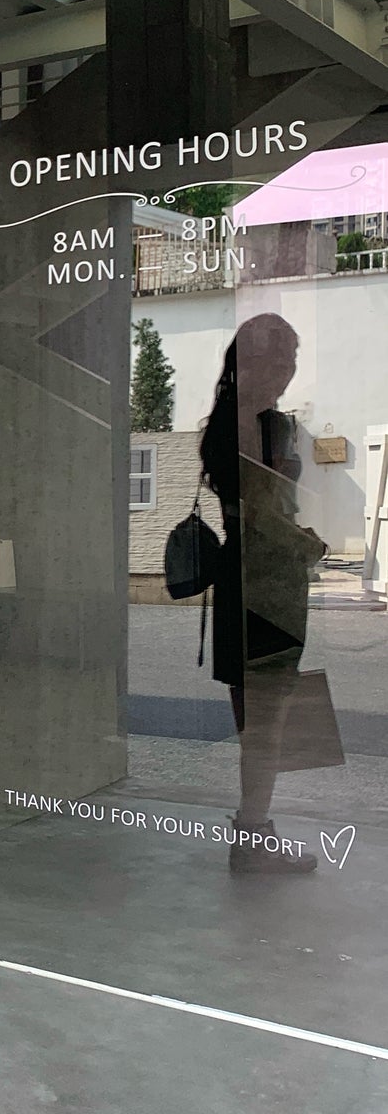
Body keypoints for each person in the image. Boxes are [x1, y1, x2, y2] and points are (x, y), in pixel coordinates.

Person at [199, 312, 326, 875]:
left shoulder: (226, 421)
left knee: (258, 720)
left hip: (242, 581)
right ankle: (253, 838)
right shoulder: (262, 425)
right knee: (266, 722)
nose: (287, 370)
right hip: (267, 582)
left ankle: (253, 834)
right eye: (278, 358)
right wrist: (306, 545)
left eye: (292, 358)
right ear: (249, 361)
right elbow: (259, 511)